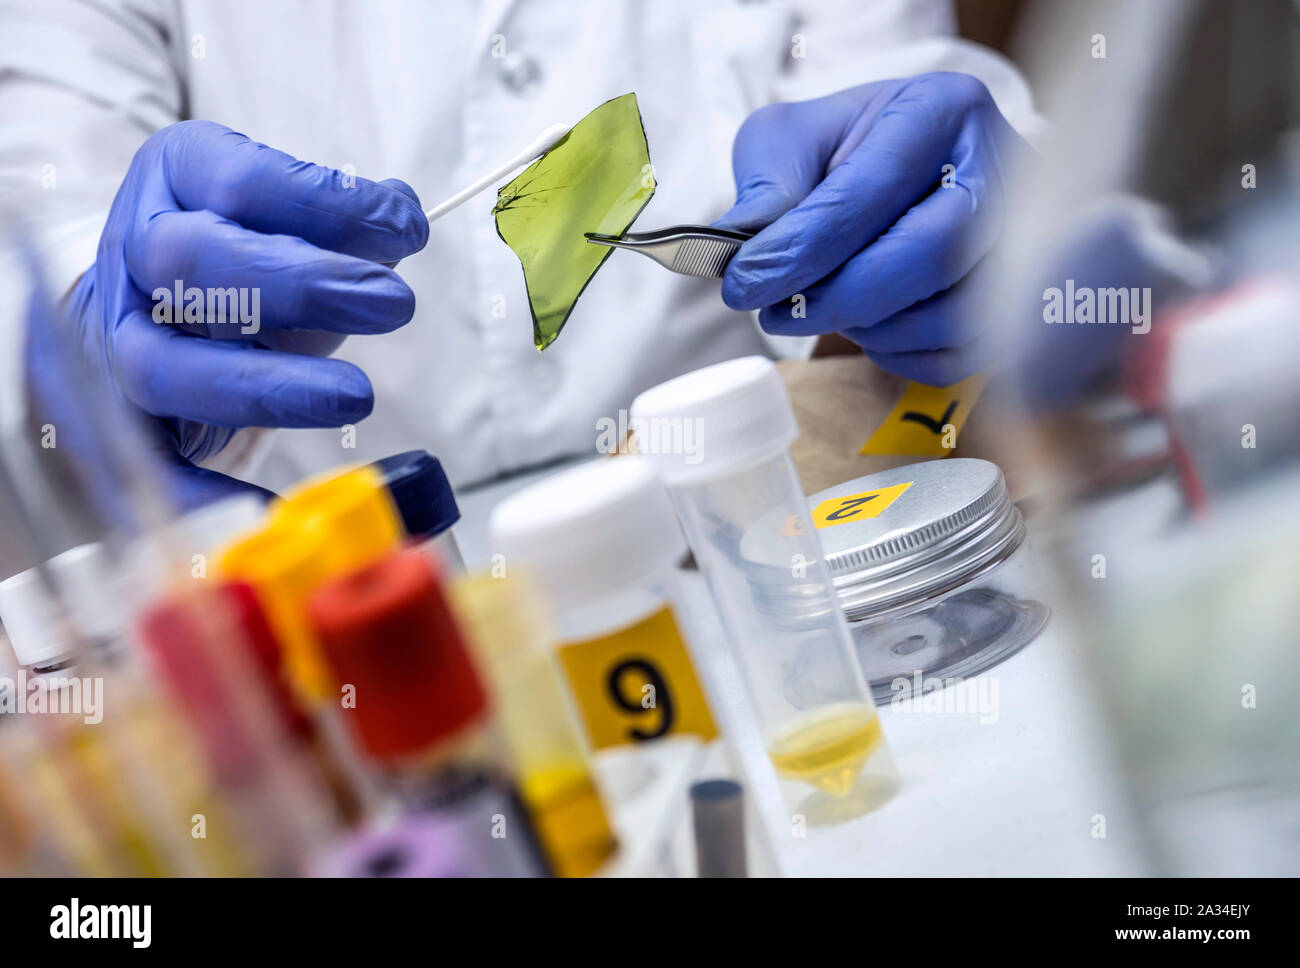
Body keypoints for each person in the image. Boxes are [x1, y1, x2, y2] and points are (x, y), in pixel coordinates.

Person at [0, 0, 1039, 506]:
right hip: (343, 603)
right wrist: (90, 327)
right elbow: (41, 219)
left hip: (782, 531)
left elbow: (895, 90)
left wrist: (966, 215)